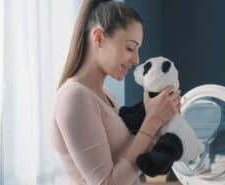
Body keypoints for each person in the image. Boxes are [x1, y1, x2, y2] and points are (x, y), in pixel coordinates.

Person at [50, 1, 181, 185]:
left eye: (138, 50)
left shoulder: (107, 96)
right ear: (98, 38)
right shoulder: (75, 98)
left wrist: (163, 120)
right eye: (130, 48)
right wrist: (152, 121)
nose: (136, 60)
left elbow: (131, 160)